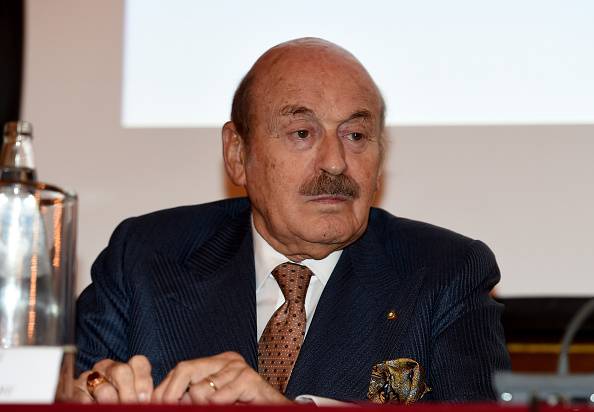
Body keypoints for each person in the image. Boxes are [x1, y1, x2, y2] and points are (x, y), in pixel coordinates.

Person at [73, 37, 510, 405]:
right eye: (302, 133)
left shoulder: (446, 272)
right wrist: (85, 392)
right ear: (238, 154)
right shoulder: (144, 257)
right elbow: (74, 384)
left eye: (356, 135)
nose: (335, 162)